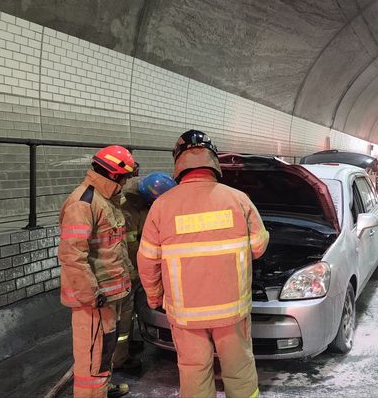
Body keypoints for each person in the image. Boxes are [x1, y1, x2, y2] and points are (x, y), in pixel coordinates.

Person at [137, 130, 269, 398]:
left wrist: (154, 298)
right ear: (213, 161)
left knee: (194, 370)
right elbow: (258, 247)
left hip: (186, 314)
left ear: (179, 163)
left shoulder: (161, 206)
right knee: (239, 369)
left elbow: (147, 260)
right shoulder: (238, 199)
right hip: (231, 310)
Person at [58, 145, 138, 398]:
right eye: (125, 177)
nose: (126, 183)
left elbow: (112, 249)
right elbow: (72, 255)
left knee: (104, 350)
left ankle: (102, 389)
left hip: (108, 294)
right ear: (114, 175)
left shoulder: (106, 201)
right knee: (92, 358)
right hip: (94, 298)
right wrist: (92, 295)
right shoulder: (83, 203)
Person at [112, 172, 176, 372]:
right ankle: (120, 359)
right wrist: (142, 271)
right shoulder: (128, 210)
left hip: (135, 269)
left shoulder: (140, 202)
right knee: (124, 315)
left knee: (130, 313)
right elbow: (131, 247)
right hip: (126, 271)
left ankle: (128, 345)